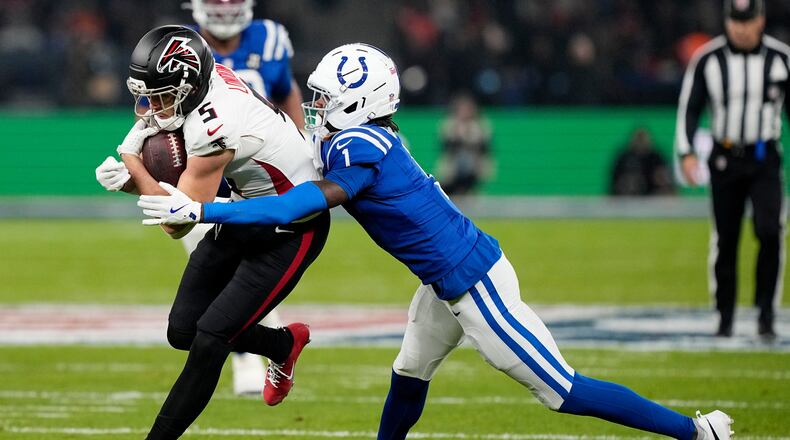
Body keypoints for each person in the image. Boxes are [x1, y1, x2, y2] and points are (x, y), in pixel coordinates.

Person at [138, 42, 735, 440]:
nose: (316, 108)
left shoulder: (360, 146)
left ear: (358, 105)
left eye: (326, 100)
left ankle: (694, 431)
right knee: (409, 371)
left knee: (562, 390)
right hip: (441, 282)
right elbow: (275, 154)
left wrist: (204, 208)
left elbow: (299, 202)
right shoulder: (355, 138)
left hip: (474, 283)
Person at [109, 25, 330, 439]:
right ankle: (282, 345)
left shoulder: (214, 124)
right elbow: (187, 202)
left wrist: (132, 166)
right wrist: (136, 178)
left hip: (291, 228)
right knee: (183, 331)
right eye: (148, 96)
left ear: (188, 86)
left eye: (162, 96)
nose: (152, 109)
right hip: (245, 210)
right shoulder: (206, 88)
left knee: (210, 339)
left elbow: (177, 222)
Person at [674, 0, 787, 339]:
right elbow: (689, 108)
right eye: (735, 21)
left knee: (770, 231)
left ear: (760, 20)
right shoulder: (708, 58)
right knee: (726, 238)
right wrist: (686, 152)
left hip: (765, 157)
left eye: (747, 21)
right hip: (725, 159)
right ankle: (724, 317)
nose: (741, 28)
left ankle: (766, 313)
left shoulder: (781, 59)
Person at [436, 93, 493, 195]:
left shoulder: (480, 125)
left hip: (473, 166)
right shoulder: (450, 124)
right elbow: (445, 147)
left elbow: (485, 148)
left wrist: (469, 136)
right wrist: (457, 135)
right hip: (453, 167)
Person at [610, 127, 674, 196]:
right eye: (638, 139)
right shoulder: (624, 158)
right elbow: (614, 183)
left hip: (652, 196)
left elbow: (666, 180)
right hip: (626, 197)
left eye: (643, 139)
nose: (640, 142)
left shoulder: (656, 158)